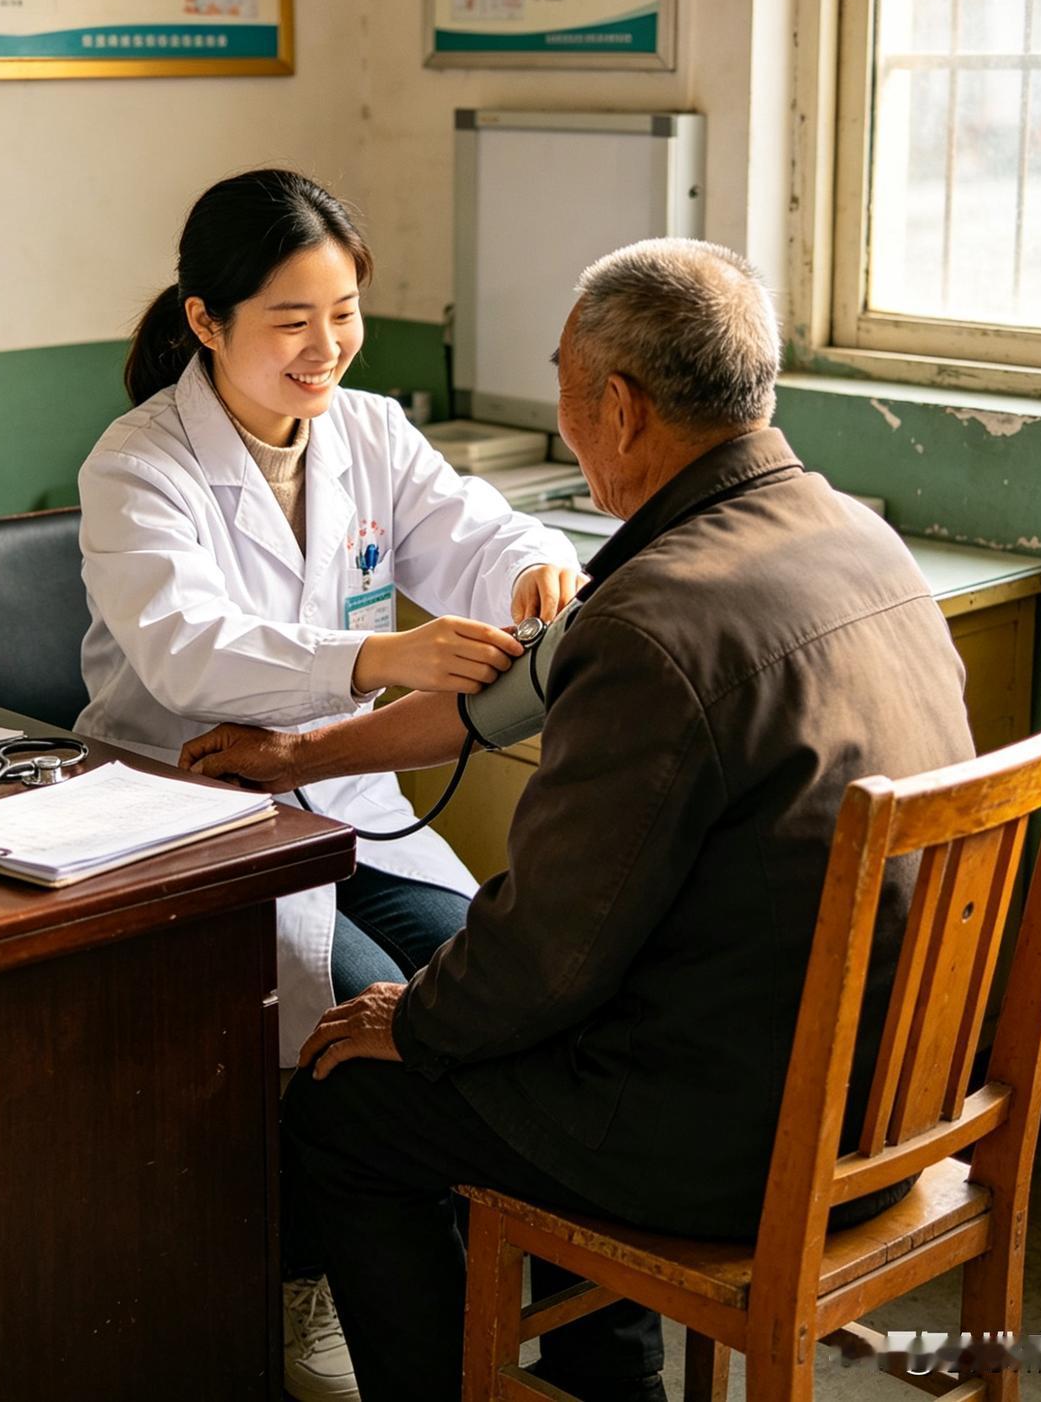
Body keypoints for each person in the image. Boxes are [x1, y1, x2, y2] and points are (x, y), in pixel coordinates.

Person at [183, 239, 977, 1402]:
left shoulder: (652, 621)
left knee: (346, 1105)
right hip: (896, 1103)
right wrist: (300, 753)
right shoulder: (857, 536)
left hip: (743, 1143)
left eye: (561, 381)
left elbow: (547, 950)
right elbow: (506, 709)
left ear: (616, 404)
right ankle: (610, 1380)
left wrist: (413, 1018)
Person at [77, 170, 580, 1402]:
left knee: (480, 974)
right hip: (185, 810)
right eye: (290, 319)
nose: (327, 347)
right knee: (364, 1031)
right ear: (206, 320)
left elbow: (471, 522)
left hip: (342, 799)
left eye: (344, 310)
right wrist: (377, 655)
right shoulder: (139, 464)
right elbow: (183, 645)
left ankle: (442, 1271)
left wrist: (536, 567)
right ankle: (314, 1272)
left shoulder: (364, 428)